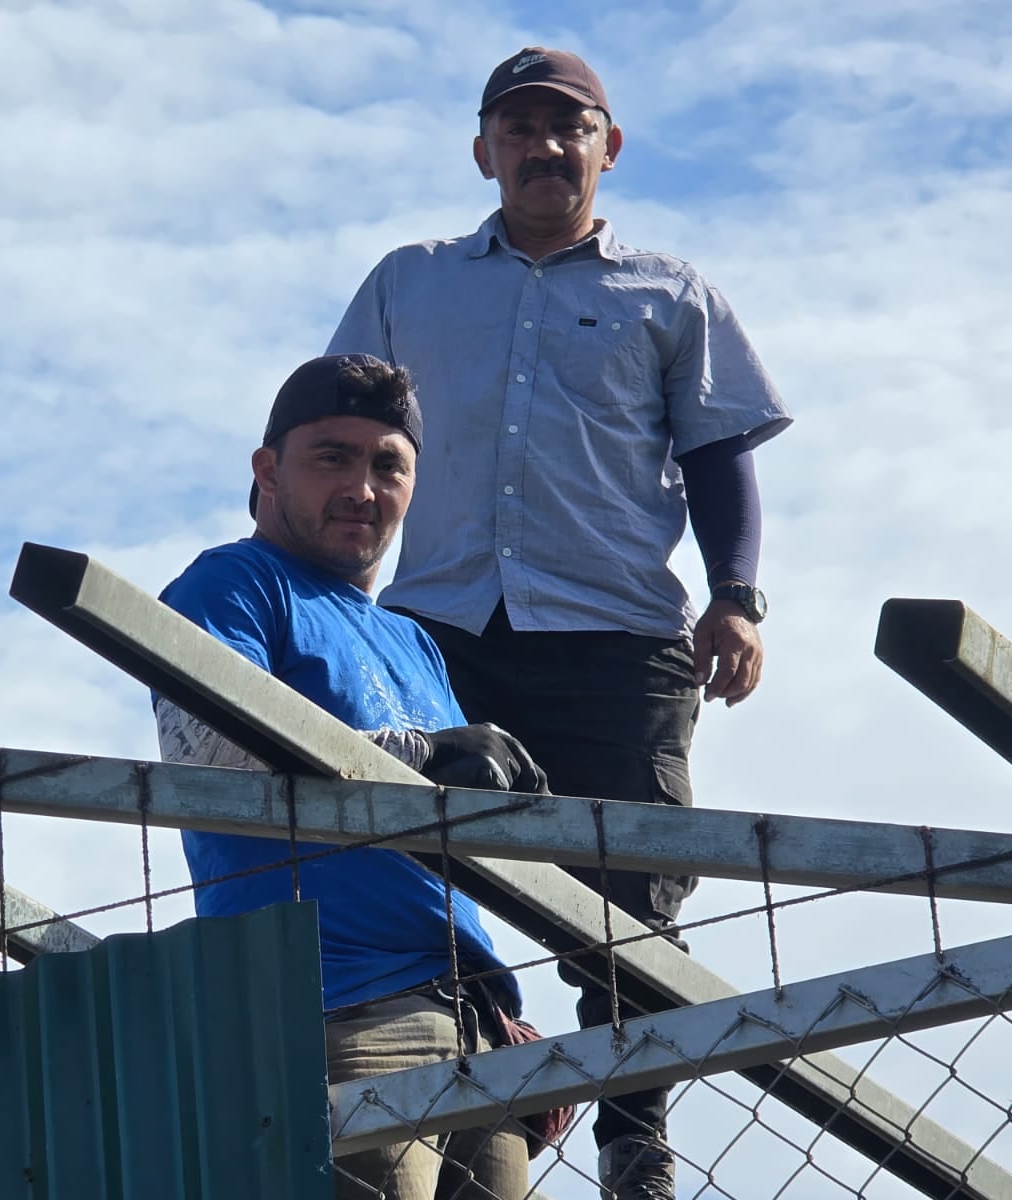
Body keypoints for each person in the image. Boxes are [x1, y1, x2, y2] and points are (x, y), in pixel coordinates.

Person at [325, 46, 792, 1200]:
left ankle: (633, 1141)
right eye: (519, 129)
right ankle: (446, 1093)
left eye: (567, 127)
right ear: (482, 152)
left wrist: (735, 596)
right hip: (437, 637)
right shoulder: (409, 283)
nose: (544, 147)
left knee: (632, 904)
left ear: (607, 147)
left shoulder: (669, 295)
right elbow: (338, 432)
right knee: (401, 868)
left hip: (616, 643)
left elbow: (716, 455)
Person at [155, 353, 549, 1200]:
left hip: (472, 1023)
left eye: (387, 465)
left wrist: (498, 999)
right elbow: (210, 753)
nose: (362, 489)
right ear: (268, 471)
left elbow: (443, 854)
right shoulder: (233, 582)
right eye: (332, 457)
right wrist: (425, 755)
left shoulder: (413, 641)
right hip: (336, 1009)